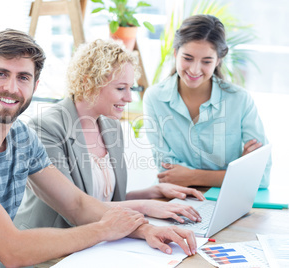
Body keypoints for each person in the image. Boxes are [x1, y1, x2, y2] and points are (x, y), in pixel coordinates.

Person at [0, 29, 197, 268]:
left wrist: (144, 230)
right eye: (1, 74)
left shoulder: (22, 138)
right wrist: (106, 229)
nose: (12, 88)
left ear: (35, 87)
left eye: (23, 77)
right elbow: (11, 250)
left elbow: (76, 204)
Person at [14, 39, 205, 240]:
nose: (130, 98)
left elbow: (103, 201)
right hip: (49, 247)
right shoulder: (46, 128)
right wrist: (145, 206)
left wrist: (153, 192)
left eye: (131, 88)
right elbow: (75, 208)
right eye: (121, 88)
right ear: (88, 83)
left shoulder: (111, 126)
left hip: (95, 242)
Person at [143, 14, 271, 188]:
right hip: (174, 200)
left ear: (218, 61)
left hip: (228, 200)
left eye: (206, 61)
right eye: (187, 58)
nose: (195, 70)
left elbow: (260, 177)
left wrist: (192, 177)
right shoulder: (155, 98)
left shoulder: (240, 100)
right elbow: (167, 174)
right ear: (175, 53)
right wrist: (233, 173)